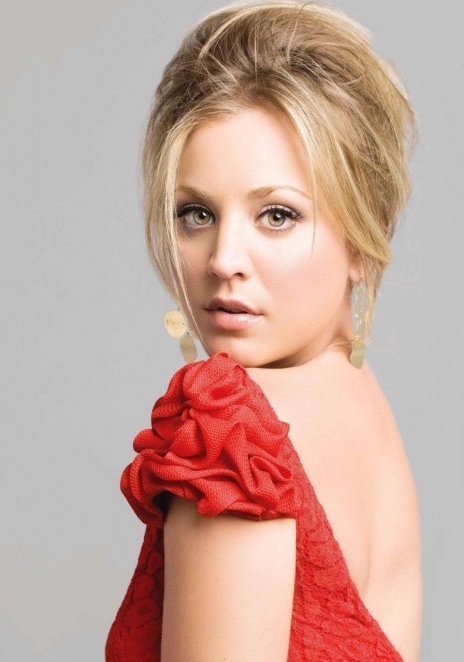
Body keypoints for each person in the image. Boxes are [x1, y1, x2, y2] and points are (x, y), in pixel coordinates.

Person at [106, 2, 421, 661]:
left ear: (363, 238)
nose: (224, 260)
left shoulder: (233, 438)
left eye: (277, 215)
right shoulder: (359, 399)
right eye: (196, 214)